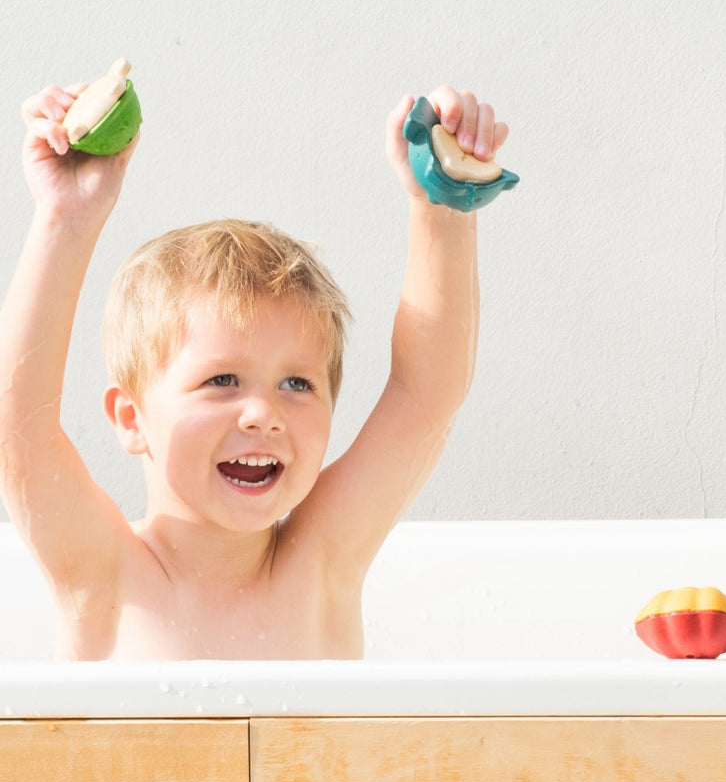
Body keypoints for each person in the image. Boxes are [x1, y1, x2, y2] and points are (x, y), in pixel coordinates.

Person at [0, 78, 509, 659]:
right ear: (131, 417)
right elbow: (17, 425)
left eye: (297, 383)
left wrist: (442, 207)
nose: (265, 414)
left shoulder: (321, 561)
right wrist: (64, 219)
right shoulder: (102, 572)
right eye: (222, 381)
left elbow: (425, 397)